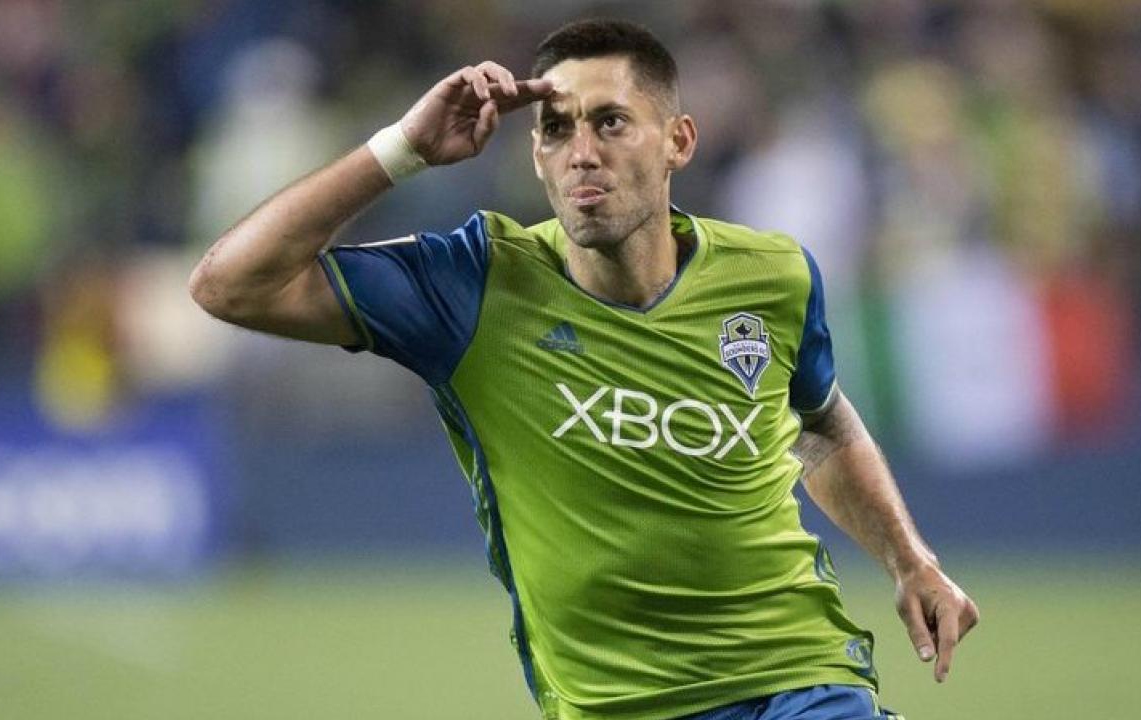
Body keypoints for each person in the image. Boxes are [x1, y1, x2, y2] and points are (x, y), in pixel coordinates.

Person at [189, 18, 978, 720]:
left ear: (679, 141)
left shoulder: (773, 277)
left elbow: (824, 427)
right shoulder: (473, 283)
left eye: (610, 123)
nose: (582, 153)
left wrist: (913, 562)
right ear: (534, 153)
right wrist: (404, 150)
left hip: (803, 679)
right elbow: (229, 284)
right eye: (556, 129)